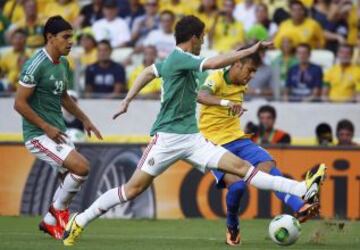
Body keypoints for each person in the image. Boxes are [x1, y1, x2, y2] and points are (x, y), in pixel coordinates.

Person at [63, 15, 326, 246]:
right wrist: (250, 50)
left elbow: (147, 72)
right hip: (166, 139)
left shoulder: (172, 61)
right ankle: (80, 220)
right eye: (202, 37)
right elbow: (213, 64)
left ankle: (301, 189)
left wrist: (127, 99)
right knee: (131, 190)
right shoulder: (181, 58)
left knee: (242, 169)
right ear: (193, 37)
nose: (203, 41)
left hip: (192, 138)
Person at [197, 47, 320, 245]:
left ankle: (300, 207)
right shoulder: (217, 77)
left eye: (255, 71)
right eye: (250, 70)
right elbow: (201, 96)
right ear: (237, 64)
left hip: (239, 140)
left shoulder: (242, 84)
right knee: (237, 187)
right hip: (213, 145)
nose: (252, 76)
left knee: (270, 169)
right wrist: (225, 102)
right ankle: (232, 225)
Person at [13, 15, 102, 240]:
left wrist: (85, 119)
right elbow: (19, 103)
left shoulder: (63, 62)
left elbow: (64, 97)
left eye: (72, 37)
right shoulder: (35, 65)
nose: (71, 42)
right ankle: (57, 212)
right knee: (81, 167)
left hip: (56, 131)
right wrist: (45, 127)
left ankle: (50, 222)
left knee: (69, 180)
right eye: (65, 37)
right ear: (50, 37)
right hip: (38, 135)